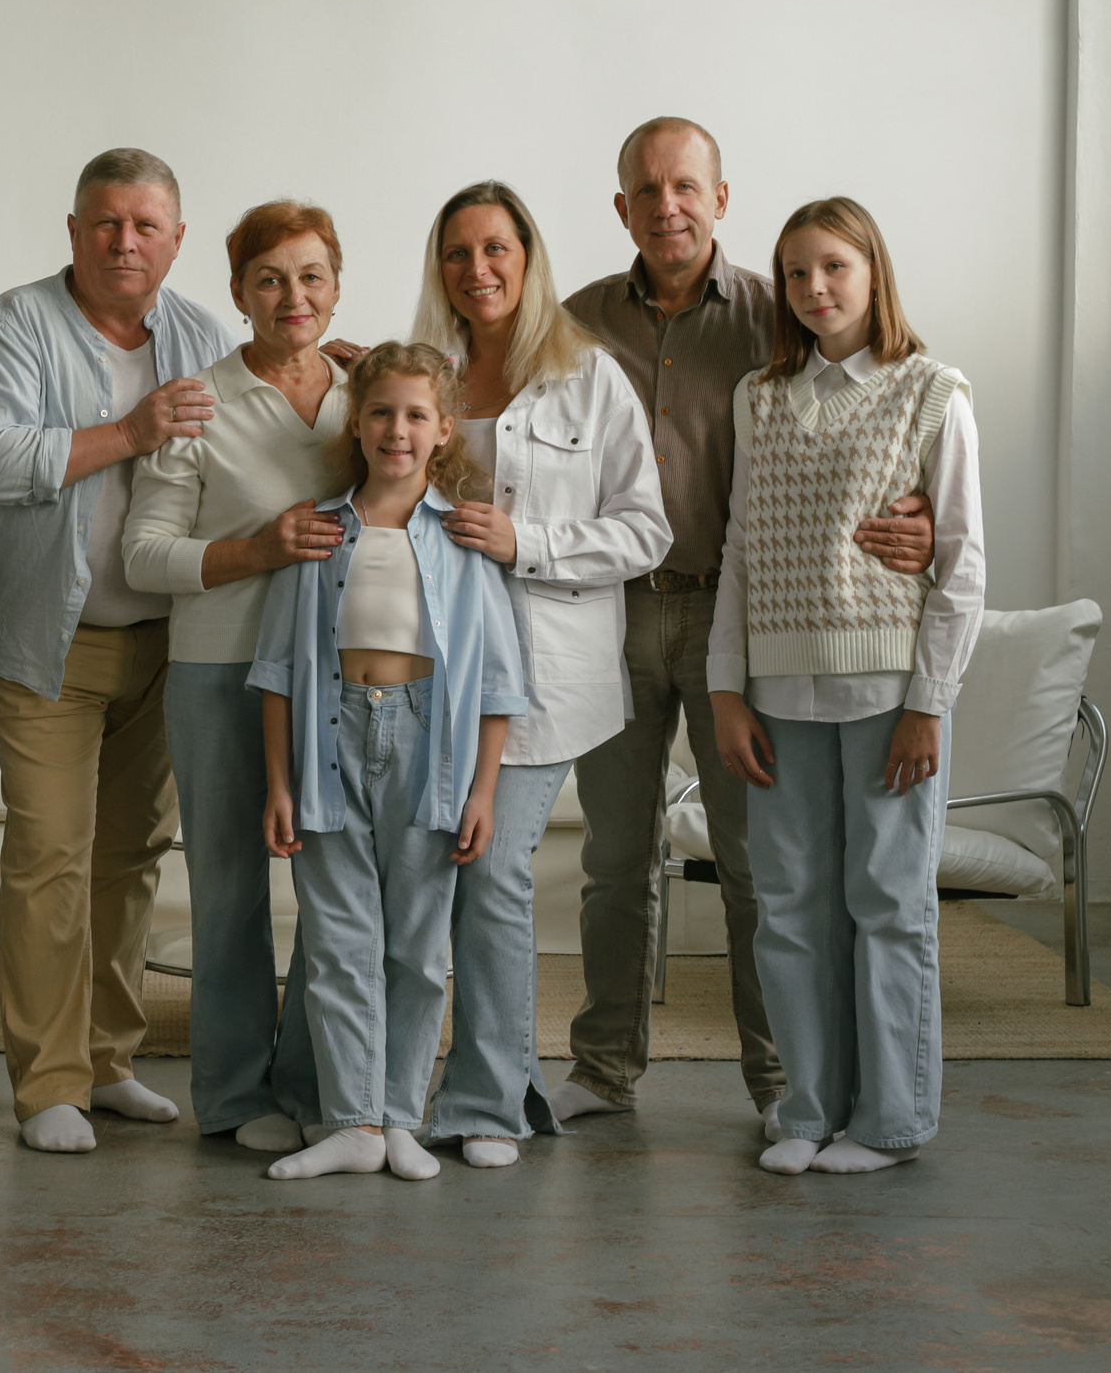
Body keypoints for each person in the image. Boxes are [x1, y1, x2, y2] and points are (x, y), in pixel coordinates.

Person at [558, 117, 936, 1140]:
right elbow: (485, 385)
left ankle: (781, 1085)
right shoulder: (577, 320)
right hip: (612, 614)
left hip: (741, 625)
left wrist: (922, 516)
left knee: (757, 868)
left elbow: (883, 409)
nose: (667, 206)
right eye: (647, 190)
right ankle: (603, 1067)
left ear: (719, 198)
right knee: (614, 859)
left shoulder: (784, 312)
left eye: (686, 186)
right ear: (622, 208)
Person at [0, 147, 233, 1154]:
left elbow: (248, 449)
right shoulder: (17, 323)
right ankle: (49, 1085)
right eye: (105, 222)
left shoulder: (203, 334)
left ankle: (109, 1062)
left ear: (176, 239)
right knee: (48, 861)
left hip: (171, 644)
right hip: (48, 646)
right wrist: (127, 431)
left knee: (130, 859)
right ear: (73, 231)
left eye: (145, 225)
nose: (124, 241)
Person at [706, 196, 983, 1176]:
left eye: (834, 266)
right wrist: (726, 690)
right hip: (778, 696)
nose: (813, 287)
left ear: (873, 272)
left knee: (889, 907)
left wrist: (928, 703)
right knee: (787, 909)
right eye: (795, 272)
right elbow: (740, 550)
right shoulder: (758, 397)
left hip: (887, 695)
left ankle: (890, 1122)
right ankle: (807, 1110)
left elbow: (961, 564)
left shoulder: (931, 390)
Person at [410, 182, 671, 1169]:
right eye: (457, 252)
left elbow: (645, 530)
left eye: (496, 249)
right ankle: (507, 1086)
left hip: (545, 674)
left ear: (528, 258)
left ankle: (485, 1102)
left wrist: (527, 541)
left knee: (492, 870)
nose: (477, 269)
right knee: (456, 873)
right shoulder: (428, 374)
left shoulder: (588, 377)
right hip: (436, 669)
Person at [250, 343, 533, 1182]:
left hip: (429, 746)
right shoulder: (319, 530)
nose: (396, 430)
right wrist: (279, 782)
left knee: (414, 944)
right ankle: (354, 1123)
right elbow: (277, 671)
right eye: (380, 412)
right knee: (339, 940)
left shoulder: (462, 536)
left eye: (415, 415)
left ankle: (401, 1114)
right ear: (357, 422)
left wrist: (482, 792)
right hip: (328, 740)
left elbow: (497, 682)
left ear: (443, 429)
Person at [122, 201, 350, 1156]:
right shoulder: (200, 403)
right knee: (229, 892)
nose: (293, 296)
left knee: (337, 894)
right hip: (220, 673)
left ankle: (314, 1085)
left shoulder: (367, 395)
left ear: (336, 285)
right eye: (270, 278)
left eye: (310, 276)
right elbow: (143, 554)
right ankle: (229, 1092)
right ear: (237, 293)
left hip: (339, 682)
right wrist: (256, 549)